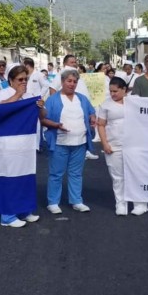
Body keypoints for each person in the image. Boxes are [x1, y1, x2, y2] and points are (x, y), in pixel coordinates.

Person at [41, 69, 96, 215]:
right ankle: (53, 202)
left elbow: (91, 111)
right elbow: (43, 119)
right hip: (60, 142)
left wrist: (92, 117)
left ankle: (76, 201)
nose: (72, 84)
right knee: (56, 174)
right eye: (69, 81)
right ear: (62, 82)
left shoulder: (82, 99)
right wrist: (56, 125)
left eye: (74, 82)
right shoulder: (52, 100)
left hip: (80, 142)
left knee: (76, 173)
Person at [0, 65, 43, 227]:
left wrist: (40, 107)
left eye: (26, 79)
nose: (24, 82)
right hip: (9, 144)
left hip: (27, 144)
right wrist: (18, 95)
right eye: (20, 80)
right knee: (10, 179)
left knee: (26, 177)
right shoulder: (4, 93)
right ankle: (8, 216)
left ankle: (23, 210)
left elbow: (44, 115)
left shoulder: (30, 95)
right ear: (11, 81)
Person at [98, 77, 148, 216]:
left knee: (137, 174)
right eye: (110, 91)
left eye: (115, 91)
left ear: (124, 89)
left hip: (135, 145)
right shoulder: (105, 105)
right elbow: (101, 125)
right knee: (117, 177)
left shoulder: (135, 101)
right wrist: (105, 143)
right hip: (114, 145)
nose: (112, 94)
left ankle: (140, 204)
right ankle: (120, 204)